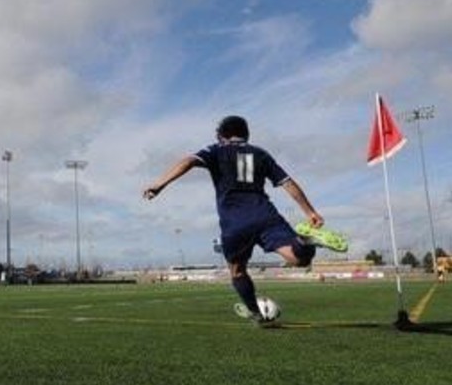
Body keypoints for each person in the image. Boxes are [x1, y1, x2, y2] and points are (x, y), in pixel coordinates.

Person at [143, 115, 347, 325]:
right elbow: (287, 182)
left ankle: (256, 314)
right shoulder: (260, 154)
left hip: (235, 223)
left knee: (237, 270)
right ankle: (305, 240)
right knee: (299, 259)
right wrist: (310, 211)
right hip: (265, 215)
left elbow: (189, 161)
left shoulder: (216, 150)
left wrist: (159, 184)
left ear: (221, 136)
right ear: (246, 134)